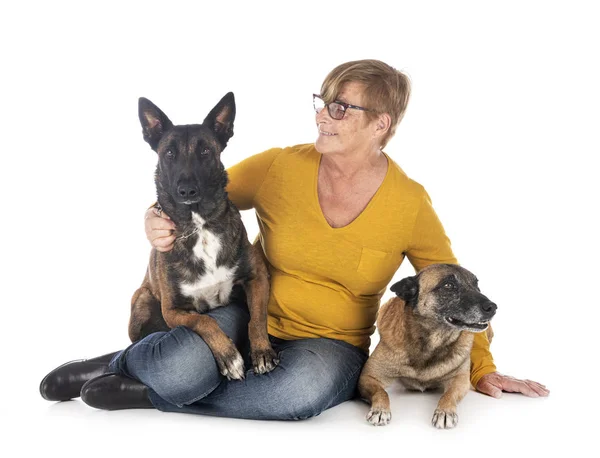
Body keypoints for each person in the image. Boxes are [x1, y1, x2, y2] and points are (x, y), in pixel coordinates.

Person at [40, 59, 549, 419]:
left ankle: (149, 393)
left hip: (330, 344)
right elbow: (191, 190)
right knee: (179, 365)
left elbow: (455, 289)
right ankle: (120, 364)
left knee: (295, 396)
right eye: (322, 102)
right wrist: (153, 219)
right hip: (251, 315)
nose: (323, 115)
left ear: (381, 124)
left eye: (342, 108)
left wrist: (482, 366)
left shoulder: (409, 202)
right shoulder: (281, 166)